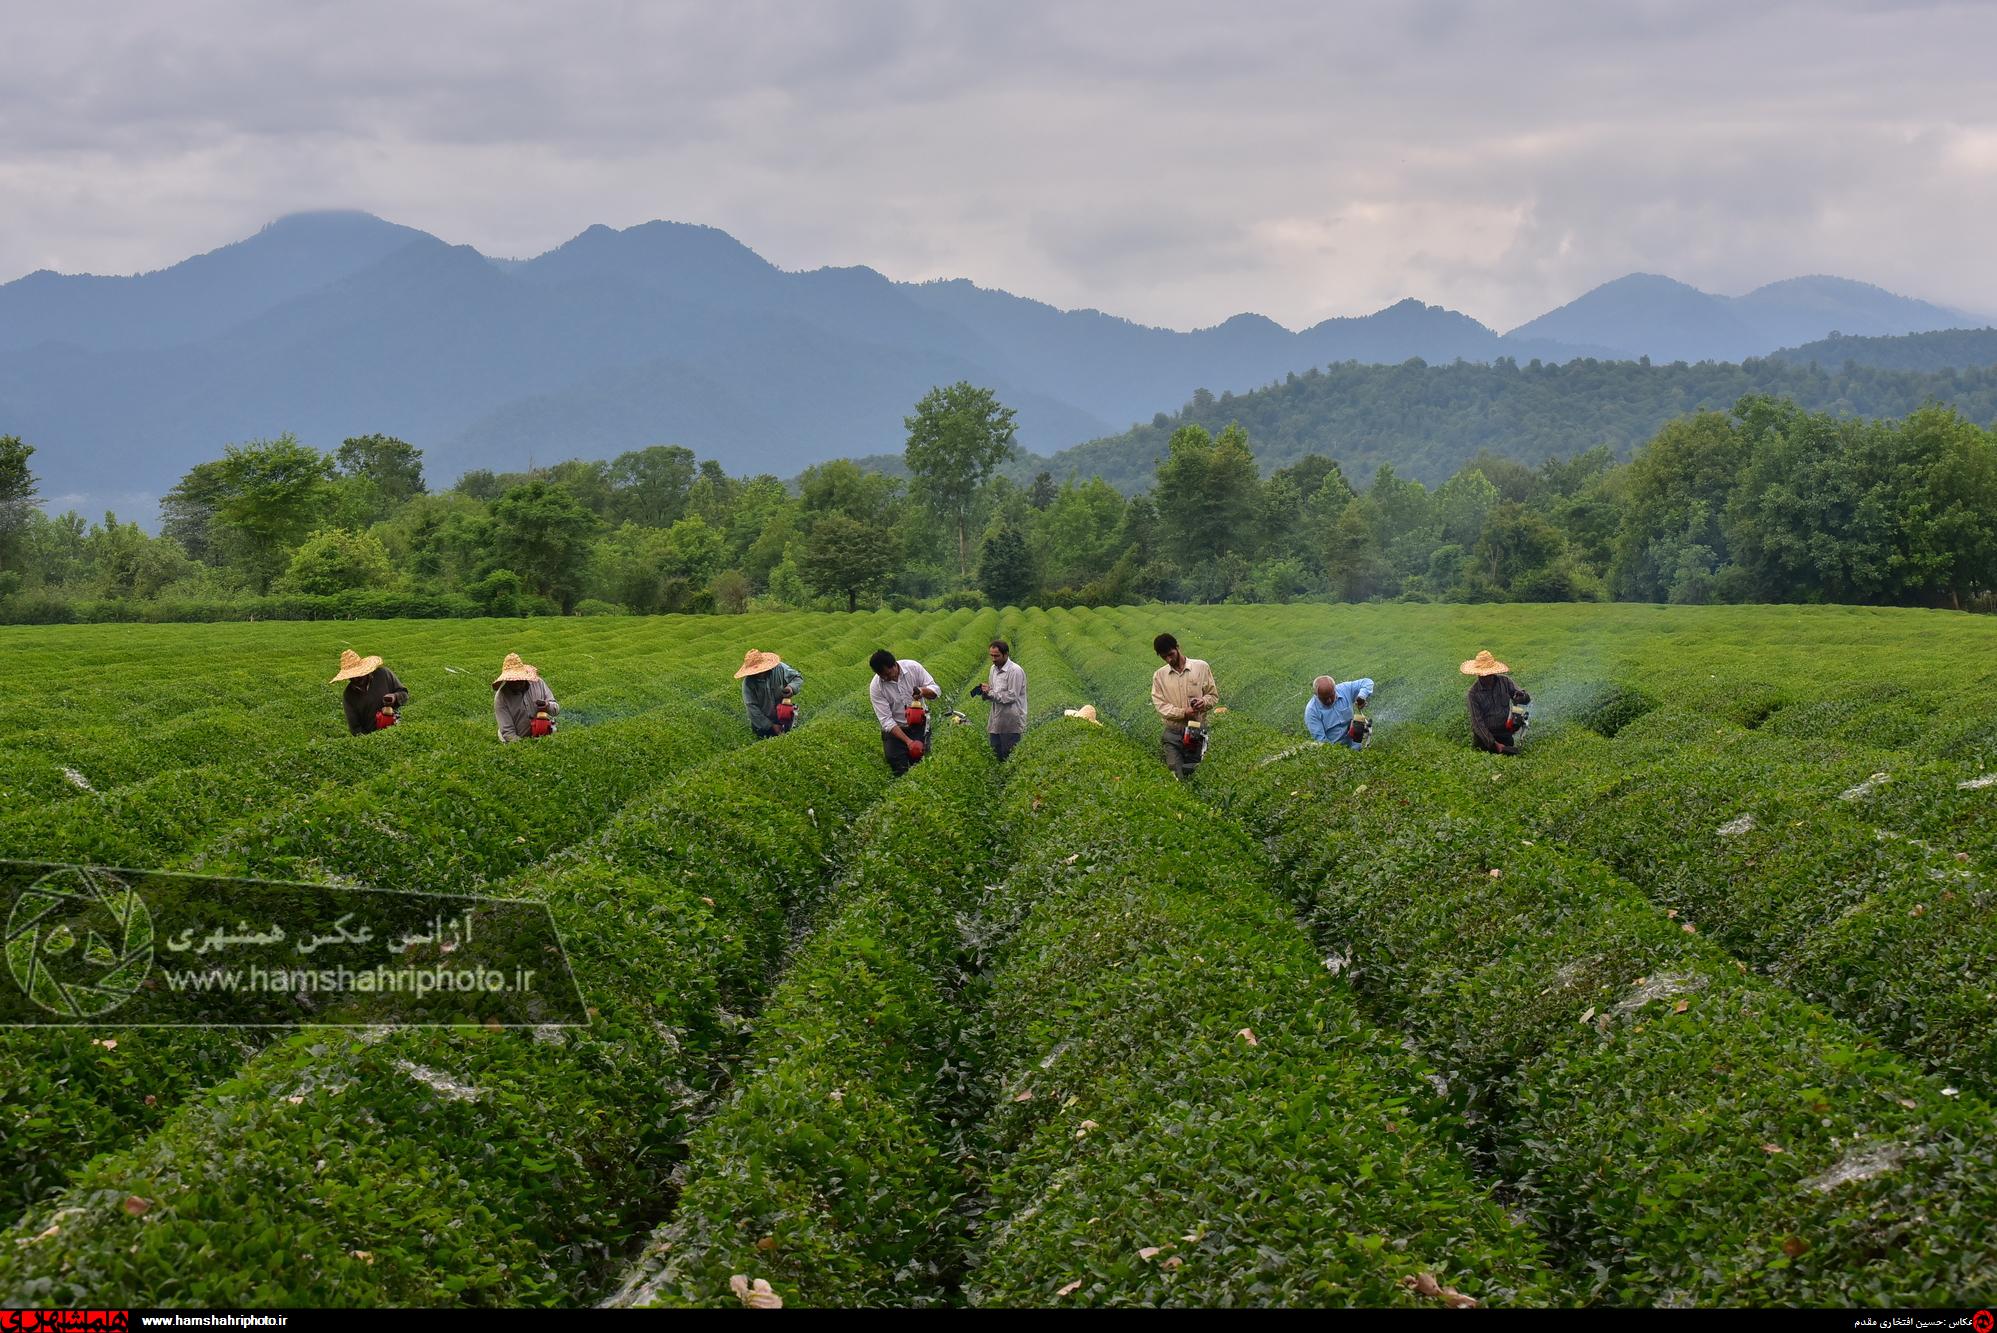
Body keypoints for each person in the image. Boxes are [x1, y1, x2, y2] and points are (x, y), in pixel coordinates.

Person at [1150, 632, 1218, 779]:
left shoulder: (1201, 667)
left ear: (1178, 647)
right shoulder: (1159, 676)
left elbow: (1213, 696)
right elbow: (1161, 706)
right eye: (1164, 657)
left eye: (1170, 654)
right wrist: (1183, 712)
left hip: (1196, 731)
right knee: (1175, 772)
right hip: (1173, 732)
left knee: (1194, 772)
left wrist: (1204, 702)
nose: (1168, 659)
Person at [869, 648, 939, 775]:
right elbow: (886, 721)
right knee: (896, 763)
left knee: (921, 762)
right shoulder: (876, 686)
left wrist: (922, 691)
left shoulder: (913, 668)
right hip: (896, 730)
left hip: (918, 725)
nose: (886, 677)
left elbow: (935, 690)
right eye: (882, 675)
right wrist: (908, 742)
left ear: (895, 664)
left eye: (888, 673)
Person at [1463, 650, 1531, 755]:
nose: (1486, 677)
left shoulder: (1505, 682)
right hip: (1484, 741)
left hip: (1505, 734)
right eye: (1482, 674)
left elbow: (1523, 699)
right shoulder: (1473, 694)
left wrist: (1522, 696)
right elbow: (1477, 724)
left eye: (1488, 674)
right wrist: (1494, 744)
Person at [969, 638, 1027, 760]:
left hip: (1011, 721)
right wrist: (985, 692)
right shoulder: (993, 669)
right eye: (992, 656)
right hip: (996, 720)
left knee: (1009, 755)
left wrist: (990, 692)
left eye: (997, 656)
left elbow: (1012, 696)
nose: (994, 659)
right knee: (995, 753)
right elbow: (993, 691)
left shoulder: (1015, 671)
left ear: (1006, 654)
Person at [332, 648, 409, 736]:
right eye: (352, 676)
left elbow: (404, 694)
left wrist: (394, 697)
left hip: (396, 730)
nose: (356, 678)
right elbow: (355, 728)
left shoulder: (383, 674)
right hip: (372, 737)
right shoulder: (349, 695)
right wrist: (371, 740)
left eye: (359, 674)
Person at [493, 652, 560, 743]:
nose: (517, 683)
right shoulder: (501, 697)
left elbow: (556, 710)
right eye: (512, 680)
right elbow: (508, 732)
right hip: (517, 739)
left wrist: (547, 705)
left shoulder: (538, 683)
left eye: (519, 679)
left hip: (542, 732)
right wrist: (525, 746)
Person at [735, 649, 803, 739]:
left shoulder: (780, 668)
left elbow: (797, 678)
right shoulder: (748, 683)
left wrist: (791, 688)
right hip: (762, 723)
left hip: (783, 715)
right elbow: (752, 708)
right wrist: (770, 726)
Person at [1306, 674, 1375, 749]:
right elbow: (1321, 742)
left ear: (1335, 689)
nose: (1329, 700)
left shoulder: (1344, 689)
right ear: (1316, 695)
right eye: (1324, 698)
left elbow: (1368, 682)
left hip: (1355, 744)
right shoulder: (1311, 711)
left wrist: (1361, 697)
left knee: (1359, 723)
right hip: (1336, 750)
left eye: (1331, 695)